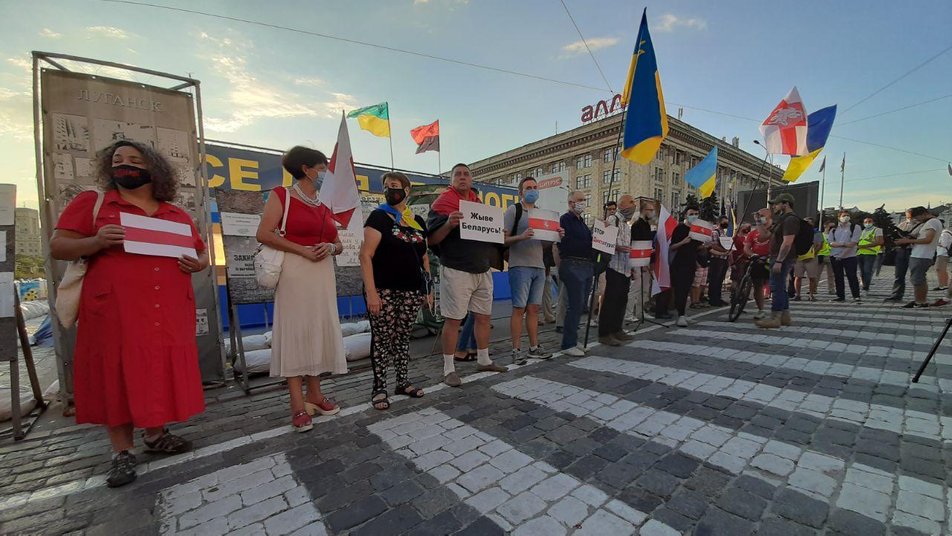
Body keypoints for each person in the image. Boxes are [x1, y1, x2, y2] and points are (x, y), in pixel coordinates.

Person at [50, 140, 208, 487]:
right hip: (115, 310)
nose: (125, 165)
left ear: (154, 169)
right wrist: (96, 241)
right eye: (118, 160)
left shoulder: (176, 213)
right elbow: (59, 246)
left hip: (166, 308)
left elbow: (202, 254)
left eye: (135, 160)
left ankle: (155, 435)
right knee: (117, 372)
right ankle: (121, 451)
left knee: (155, 369)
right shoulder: (94, 203)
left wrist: (197, 264)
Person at [256, 146, 347, 433]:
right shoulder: (281, 195)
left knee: (317, 332)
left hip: (321, 274)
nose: (325, 174)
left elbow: (339, 242)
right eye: (322, 168)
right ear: (307, 169)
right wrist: (303, 251)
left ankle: (316, 396)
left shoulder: (324, 206)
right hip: (295, 272)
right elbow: (264, 233)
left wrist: (331, 247)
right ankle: (297, 405)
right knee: (296, 334)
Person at [427, 163, 508, 387]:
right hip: (456, 268)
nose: (462, 177)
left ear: (471, 179)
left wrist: (498, 233)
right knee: (453, 320)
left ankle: (483, 359)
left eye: (466, 174)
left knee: (484, 317)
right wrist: (449, 224)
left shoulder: (478, 204)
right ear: (451, 180)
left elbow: (488, 235)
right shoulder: (442, 203)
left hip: (482, 268)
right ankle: (449, 368)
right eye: (458, 174)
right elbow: (431, 240)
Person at [359, 172, 432, 410]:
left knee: (402, 338)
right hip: (383, 290)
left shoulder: (417, 222)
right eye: (387, 187)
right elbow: (365, 255)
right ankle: (379, 387)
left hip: (411, 290)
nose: (390, 190)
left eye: (395, 186)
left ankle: (402, 381)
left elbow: (424, 257)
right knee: (382, 339)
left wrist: (427, 288)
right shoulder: (379, 217)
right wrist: (371, 292)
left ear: (406, 190)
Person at [503, 177, 558, 364]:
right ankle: (515, 349)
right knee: (519, 308)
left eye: (535, 187)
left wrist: (554, 236)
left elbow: (542, 244)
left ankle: (534, 347)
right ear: (521, 192)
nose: (532, 190)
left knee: (534, 308)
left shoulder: (541, 214)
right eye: (528, 188)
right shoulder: (514, 210)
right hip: (519, 265)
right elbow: (503, 239)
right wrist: (522, 236)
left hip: (538, 266)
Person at [756, 193, 801, 329]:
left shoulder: (790, 220)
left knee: (776, 287)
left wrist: (779, 261)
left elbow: (787, 242)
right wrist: (759, 221)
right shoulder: (784, 219)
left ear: (785, 204)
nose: (773, 206)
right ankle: (785, 316)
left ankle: (775, 318)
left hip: (782, 257)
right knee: (780, 286)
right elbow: (765, 236)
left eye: (776, 204)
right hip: (780, 257)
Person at [558, 191, 594, 355]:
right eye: (579, 200)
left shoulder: (582, 223)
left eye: (584, 200)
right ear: (571, 202)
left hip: (585, 265)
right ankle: (568, 343)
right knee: (575, 304)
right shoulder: (566, 219)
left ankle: (573, 338)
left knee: (580, 305)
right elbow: (565, 242)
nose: (582, 202)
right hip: (572, 263)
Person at [597, 195, 636, 345]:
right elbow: (603, 242)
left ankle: (617, 329)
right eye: (631, 203)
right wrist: (617, 248)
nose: (634, 206)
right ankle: (605, 333)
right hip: (614, 267)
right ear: (622, 205)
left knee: (621, 300)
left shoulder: (626, 225)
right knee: (611, 301)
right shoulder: (614, 220)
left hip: (625, 267)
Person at [667, 205, 707, 327]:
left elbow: (697, 247)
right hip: (679, 264)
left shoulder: (697, 230)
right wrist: (683, 242)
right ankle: (680, 315)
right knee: (680, 290)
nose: (694, 216)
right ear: (686, 215)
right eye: (691, 213)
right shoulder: (679, 228)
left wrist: (706, 245)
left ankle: (683, 313)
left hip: (691, 263)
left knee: (687, 289)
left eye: (696, 213)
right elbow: (672, 247)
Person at [894, 206, 941, 308]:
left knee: (917, 279)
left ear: (924, 214)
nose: (917, 220)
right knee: (919, 279)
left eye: (917, 218)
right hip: (920, 254)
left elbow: (928, 239)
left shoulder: (932, 222)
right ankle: (919, 300)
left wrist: (907, 241)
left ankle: (920, 301)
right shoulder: (930, 222)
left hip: (922, 255)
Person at [627, 203, 655, 322]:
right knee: (636, 288)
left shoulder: (647, 225)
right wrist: (641, 262)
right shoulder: (637, 225)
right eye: (650, 210)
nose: (652, 212)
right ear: (644, 210)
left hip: (646, 260)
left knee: (645, 288)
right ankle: (628, 313)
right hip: (638, 260)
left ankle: (640, 311)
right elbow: (636, 243)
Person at [827, 210, 862, 303]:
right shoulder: (834, 229)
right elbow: (830, 243)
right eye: (843, 215)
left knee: (851, 276)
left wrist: (840, 249)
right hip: (835, 256)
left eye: (847, 215)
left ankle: (856, 296)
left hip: (849, 256)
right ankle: (840, 296)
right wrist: (843, 244)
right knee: (838, 277)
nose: (846, 217)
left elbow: (853, 243)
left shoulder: (855, 227)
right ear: (839, 217)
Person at [885, 210, 919, 302]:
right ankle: (896, 294)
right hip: (901, 250)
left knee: (916, 275)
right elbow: (894, 237)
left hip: (914, 250)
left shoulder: (921, 225)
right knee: (899, 274)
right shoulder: (901, 225)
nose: (910, 218)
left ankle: (919, 296)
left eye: (911, 216)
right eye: (908, 216)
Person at [744, 209, 772, 319]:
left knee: (773, 285)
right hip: (756, 260)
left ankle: (779, 309)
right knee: (758, 285)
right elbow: (746, 247)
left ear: (769, 217)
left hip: (770, 260)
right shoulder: (752, 233)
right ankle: (761, 309)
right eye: (758, 215)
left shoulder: (773, 229)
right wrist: (752, 254)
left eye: (762, 216)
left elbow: (764, 236)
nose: (760, 217)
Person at [793, 217, 822, 301]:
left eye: (808, 222)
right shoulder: (798, 232)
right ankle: (797, 295)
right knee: (797, 276)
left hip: (811, 258)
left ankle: (811, 295)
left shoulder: (816, 233)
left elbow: (819, 245)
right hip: (799, 257)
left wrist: (812, 255)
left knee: (812, 277)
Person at [856, 215, 884, 293]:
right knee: (862, 271)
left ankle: (866, 287)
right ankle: (863, 284)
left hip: (870, 253)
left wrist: (864, 246)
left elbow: (880, 241)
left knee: (867, 271)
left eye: (869, 221)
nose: (867, 223)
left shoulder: (877, 230)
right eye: (865, 222)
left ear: (873, 222)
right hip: (860, 252)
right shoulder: (863, 231)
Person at [707, 216, 731, 306]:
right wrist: (724, 251)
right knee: (715, 279)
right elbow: (713, 245)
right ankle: (713, 299)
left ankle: (718, 297)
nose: (726, 224)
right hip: (716, 258)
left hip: (724, 259)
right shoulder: (715, 232)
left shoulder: (723, 232)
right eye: (724, 222)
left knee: (720, 279)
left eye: (727, 222)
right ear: (719, 222)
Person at [817, 220, 835, 295]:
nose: (831, 228)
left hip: (831, 255)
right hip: (821, 255)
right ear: (825, 226)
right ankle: (813, 288)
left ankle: (831, 289)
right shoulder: (820, 235)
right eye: (830, 226)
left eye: (833, 227)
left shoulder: (834, 235)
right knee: (817, 273)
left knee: (831, 275)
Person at [934, 223, 951, 291]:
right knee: (941, 269)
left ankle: (943, 285)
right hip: (943, 253)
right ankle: (944, 284)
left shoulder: (944, 234)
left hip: (943, 253)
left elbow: (944, 244)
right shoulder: (946, 233)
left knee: (939, 269)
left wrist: (935, 243)